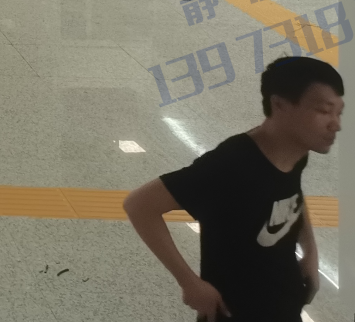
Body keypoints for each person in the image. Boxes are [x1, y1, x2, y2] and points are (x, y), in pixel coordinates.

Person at [123, 55, 343, 322]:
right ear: (279, 105)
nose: (336, 124)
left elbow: (291, 194)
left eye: (338, 112)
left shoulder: (295, 148)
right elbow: (139, 205)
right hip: (235, 311)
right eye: (324, 111)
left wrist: (310, 251)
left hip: (283, 302)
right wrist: (189, 282)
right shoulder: (232, 164)